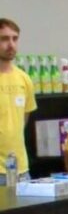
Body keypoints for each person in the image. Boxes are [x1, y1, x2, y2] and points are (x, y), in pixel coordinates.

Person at [0, 18, 36, 185]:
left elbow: (24, 119)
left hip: (20, 169)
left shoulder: (24, 79)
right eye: (4, 39)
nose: (11, 44)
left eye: (15, 38)